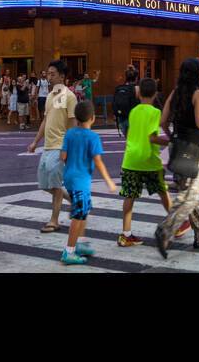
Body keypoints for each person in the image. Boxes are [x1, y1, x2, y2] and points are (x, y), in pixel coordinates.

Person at [154, 58, 199, 258]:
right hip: (194, 149)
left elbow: (163, 121)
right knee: (191, 195)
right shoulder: (198, 94)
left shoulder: (175, 93)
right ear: (198, 74)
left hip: (178, 147)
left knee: (192, 194)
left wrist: (172, 138)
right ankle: (166, 228)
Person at [58, 100, 117, 264]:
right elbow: (98, 161)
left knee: (85, 209)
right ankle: (69, 251)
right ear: (92, 118)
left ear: (76, 117)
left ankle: (81, 242)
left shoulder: (69, 134)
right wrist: (109, 182)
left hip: (69, 179)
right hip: (81, 182)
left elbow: (62, 156)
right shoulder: (93, 137)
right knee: (78, 216)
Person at [117, 78, 172, 246]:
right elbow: (153, 138)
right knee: (162, 191)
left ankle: (126, 234)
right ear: (156, 94)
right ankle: (176, 223)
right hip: (149, 160)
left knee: (129, 196)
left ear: (139, 93)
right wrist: (169, 141)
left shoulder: (133, 111)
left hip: (131, 159)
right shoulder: (155, 112)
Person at [27, 60, 78, 233]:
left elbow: (73, 124)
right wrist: (35, 142)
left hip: (61, 145)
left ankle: (54, 221)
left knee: (55, 185)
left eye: (52, 74)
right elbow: (46, 120)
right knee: (45, 184)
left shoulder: (69, 97)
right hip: (48, 146)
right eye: (48, 74)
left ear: (62, 77)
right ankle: (75, 201)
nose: (48, 77)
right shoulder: (50, 96)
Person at [112, 65, 139, 137]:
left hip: (121, 118)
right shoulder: (137, 89)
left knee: (129, 142)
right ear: (136, 78)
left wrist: (115, 119)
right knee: (133, 142)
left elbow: (114, 103)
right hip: (132, 118)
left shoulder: (119, 88)